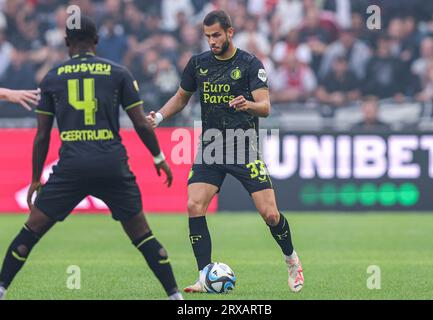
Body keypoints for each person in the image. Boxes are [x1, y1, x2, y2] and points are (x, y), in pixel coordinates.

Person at [0, 15, 183, 301]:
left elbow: (42, 136)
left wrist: (36, 178)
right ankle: (175, 296)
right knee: (142, 234)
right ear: (96, 41)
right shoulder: (118, 73)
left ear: (66, 43)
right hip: (111, 163)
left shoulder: (52, 77)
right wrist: (159, 157)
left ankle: (1, 289)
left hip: (72, 167)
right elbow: (140, 123)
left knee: (30, 231)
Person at [147, 10, 304, 293]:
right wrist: (158, 117)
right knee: (194, 205)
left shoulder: (249, 63)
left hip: (244, 147)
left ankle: (291, 258)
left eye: (216, 35)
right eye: (207, 36)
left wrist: (248, 105)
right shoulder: (198, 64)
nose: (212, 41)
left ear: (230, 32)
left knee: (270, 214)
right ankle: (205, 275)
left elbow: (265, 108)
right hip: (212, 147)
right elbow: (182, 98)